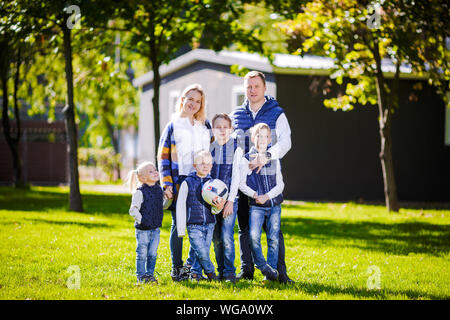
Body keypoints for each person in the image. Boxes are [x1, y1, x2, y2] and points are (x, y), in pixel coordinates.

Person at [231, 71, 294, 283]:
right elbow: (230, 146)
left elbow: (286, 143)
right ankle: (247, 270)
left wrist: (266, 156)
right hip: (244, 184)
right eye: (249, 87)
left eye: (256, 86)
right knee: (245, 228)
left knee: (273, 230)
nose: (252, 90)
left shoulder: (277, 113)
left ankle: (280, 273)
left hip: (268, 181)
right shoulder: (236, 115)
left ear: (265, 88)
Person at [157, 84, 212, 281]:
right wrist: (167, 183)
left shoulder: (204, 126)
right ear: (182, 99)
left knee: (200, 225)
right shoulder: (173, 125)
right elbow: (163, 156)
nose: (193, 104)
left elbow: (212, 151)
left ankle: (192, 269)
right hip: (179, 181)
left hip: (200, 181)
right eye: (190, 99)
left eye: (198, 101)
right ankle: (177, 268)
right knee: (178, 223)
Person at [239, 123, 284, 281]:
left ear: (270, 139)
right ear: (253, 138)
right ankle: (262, 265)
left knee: (273, 239)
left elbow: (281, 184)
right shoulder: (246, 160)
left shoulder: (274, 159)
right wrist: (254, 194)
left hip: (274, 205)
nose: (262, 139)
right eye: (259, 136)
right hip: (256, 206)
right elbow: (241, 183)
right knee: (253, 237)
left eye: (266, 136)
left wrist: (268, 196)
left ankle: (270, 275)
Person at [175, 150, 220, 282]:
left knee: (197, 252)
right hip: (193, 224)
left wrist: (218, 208)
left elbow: (215, 206)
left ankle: (191, 274)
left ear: (211, 166)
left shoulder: (213, 184)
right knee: (202, 252)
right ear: (195, 165)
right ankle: (211, 273)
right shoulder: (187, 182)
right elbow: (180, 206)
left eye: (208, 163)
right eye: (201, 163)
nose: (205, 166)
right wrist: (181, 229)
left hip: (210, 223)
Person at [210, 113, 243, 283]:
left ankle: (230, 272)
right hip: (212, 201)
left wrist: (230, 201)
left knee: (227, 235)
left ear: (231, 129)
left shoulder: (236, 148)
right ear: (213, 129)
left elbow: (236, 177)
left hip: (230, 201)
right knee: (216, 237)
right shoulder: (210, 148)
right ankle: (221, 270)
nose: (222, 130)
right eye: (218, 127)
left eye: (225, 127)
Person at [127, 161, 168, 284]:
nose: (155, 172)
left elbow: (161, 206)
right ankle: (141, 276)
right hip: (143, 230)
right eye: (151, 171)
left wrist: (167, 198)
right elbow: (133, 210)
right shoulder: (140, 192)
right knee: (142, 253)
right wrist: (142, 220)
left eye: (155, 170)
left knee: (152, 254)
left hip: (155, 229)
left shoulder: (159, 190)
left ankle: (149, 274)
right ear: (143, 178)